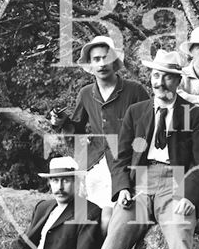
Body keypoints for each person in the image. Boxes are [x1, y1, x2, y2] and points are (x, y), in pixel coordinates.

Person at [67, 50, 199, 249]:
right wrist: (122, 189)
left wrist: (189, 197)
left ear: (177, 81)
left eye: (168, 77)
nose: (160, 83)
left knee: (180, 237)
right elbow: (121, 158)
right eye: (156, 76)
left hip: (176, 185)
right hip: (139, 187)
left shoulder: (195, 114)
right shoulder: (137, 112)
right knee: (115, 235)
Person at [50, 36, 149, 234]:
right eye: (96, 59)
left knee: (110, 216)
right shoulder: (86, 93)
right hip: (96, 160)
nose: (102, 64)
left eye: (106, 58)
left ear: (114, 61)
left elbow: (149, 126)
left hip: (126, 161)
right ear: (91, 64)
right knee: (86, 217)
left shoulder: (134, 90)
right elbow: (76, 129)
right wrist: (60, 122)